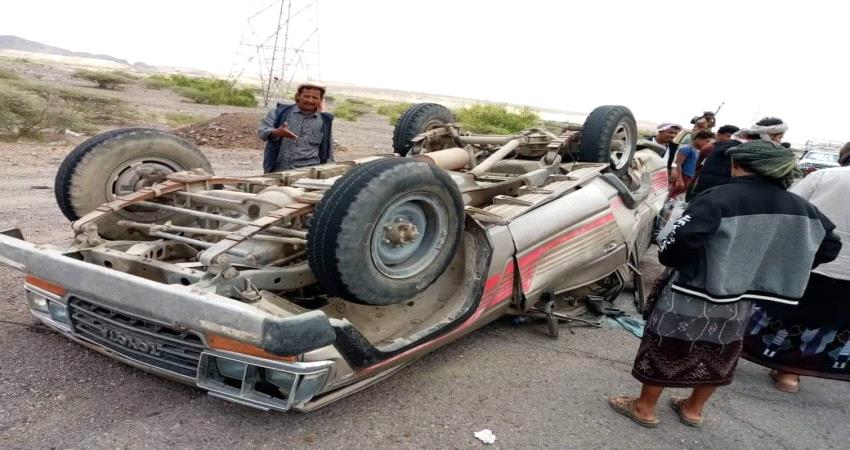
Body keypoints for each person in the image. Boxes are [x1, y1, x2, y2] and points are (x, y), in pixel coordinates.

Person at [609, 140, 841, 428]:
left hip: (694, 288)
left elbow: (680, 240)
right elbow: (830, 245)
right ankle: (693, 410)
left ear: (737, 165)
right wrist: (773, 268)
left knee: (668, 344)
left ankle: (644, 408)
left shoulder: (719, 197)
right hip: (742, 295)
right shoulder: (800, 207)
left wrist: (676, 259)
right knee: (722, 348)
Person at [743, 141, 850, 392]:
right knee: (823, 320)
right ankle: (789, 376)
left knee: (780, 311)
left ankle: (730, 354)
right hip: (846, 273)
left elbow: (787, 207)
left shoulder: (825, 176)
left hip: (809, 259)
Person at [690, 117, 787, 198]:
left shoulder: (726, 146)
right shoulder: (749, 153)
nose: (779, 143)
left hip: (704, 197)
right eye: (779, 138)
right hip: (719, 202)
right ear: (770, 135)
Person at [257, 82, 334, 173]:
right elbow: (261, 132)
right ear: (298, 96)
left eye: (315, 98)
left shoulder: (325, 120)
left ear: (320, 100)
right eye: (306, 96)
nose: (310, 100)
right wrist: (276, 132)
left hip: (310, 174)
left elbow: (328, 149)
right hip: (278, 172)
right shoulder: (280, 113)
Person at [669, 130, 714, 198]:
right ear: (698, 139)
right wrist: (679, 180)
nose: (708, 144)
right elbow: (677, 163)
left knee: (677, 197)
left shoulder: (698, 151)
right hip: (682, 176)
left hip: (688, 178)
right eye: (706, 141)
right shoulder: (686, 149)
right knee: (671, 195)